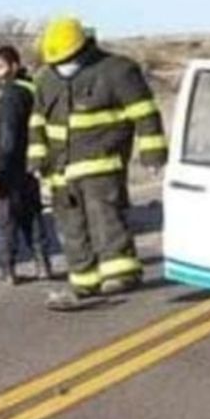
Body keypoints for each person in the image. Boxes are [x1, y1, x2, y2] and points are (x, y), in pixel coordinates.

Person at [27, 17, 168, 303]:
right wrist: (36, 160)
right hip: (59, 172)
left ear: (82, 50)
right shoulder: (46, 78)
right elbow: (37, 121)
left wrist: (153, 154)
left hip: (102, 164)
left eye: (66, 59)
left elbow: (145, 113)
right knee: (71, 227)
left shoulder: (117, 71)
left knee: (106, 219)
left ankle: (120, 273)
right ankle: (84, 279)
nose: (62, 65)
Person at [0, 45, 52, 284]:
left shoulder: (10, 96)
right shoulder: (35, 89)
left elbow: (6, 139)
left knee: (5, 220)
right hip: (32, 164)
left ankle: (8, 269)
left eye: (0, 67)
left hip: (10, 168)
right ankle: (43, 264)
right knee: (32, 216)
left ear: (14, 65)